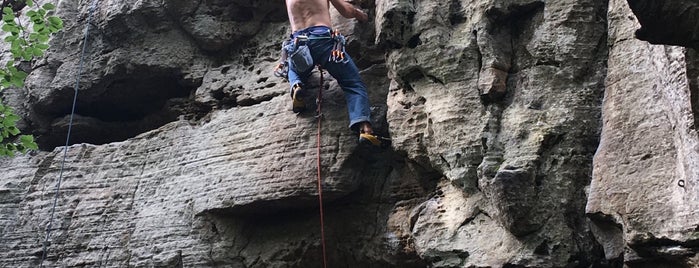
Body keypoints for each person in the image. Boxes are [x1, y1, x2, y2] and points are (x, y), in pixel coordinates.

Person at [283, 0, 382, 146]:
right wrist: (361, 16)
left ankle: (296, 85)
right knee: (352, 83)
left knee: (292, 68)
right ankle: (366, 129)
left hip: (298, 44)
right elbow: (346, 11)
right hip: (322, 40)